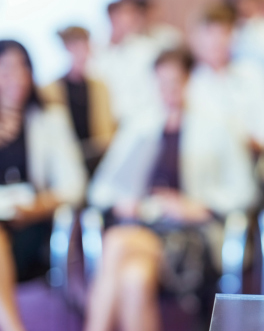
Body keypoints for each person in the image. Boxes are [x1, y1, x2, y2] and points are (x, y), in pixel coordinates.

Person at [85, 48, 258, 331]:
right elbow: (101, 189)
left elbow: (245, 190)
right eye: (162, 82)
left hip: (191, 236)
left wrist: (199, 206)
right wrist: (124, 202)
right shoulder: (140, 126)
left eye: (175, 81)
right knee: (134, 277)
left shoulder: (218, 125)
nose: (168, 89)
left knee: (116, 242)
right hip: (142, 226)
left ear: (189, 80)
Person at [0, 40, 86, 331]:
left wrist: (36, 207)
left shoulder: (49, 119)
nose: (17, 77)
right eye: (7, 69)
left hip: (32, 227)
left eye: (24, 67)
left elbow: (75, 185)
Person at [187, 4, 264, 154]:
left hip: (254, 161)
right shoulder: (188, 84)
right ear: (195, 37)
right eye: (209, 33)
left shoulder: (254, 75)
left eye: (223, 33)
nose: (216, 41)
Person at [41, 26, 116, 176]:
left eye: (85, 47)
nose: (81, 53)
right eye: (76, 47)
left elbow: (109, 127)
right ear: (67, 49)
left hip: (99, 160)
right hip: (67, 163)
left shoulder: (100, 87)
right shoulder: (49, 90)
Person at [88, 0, 168, 123]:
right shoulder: (98, 55)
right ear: (111, 17)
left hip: (143, 122)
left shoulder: (148, 50)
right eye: (124, 14)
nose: (130, 19)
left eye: (132, 14)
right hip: (108, 125)